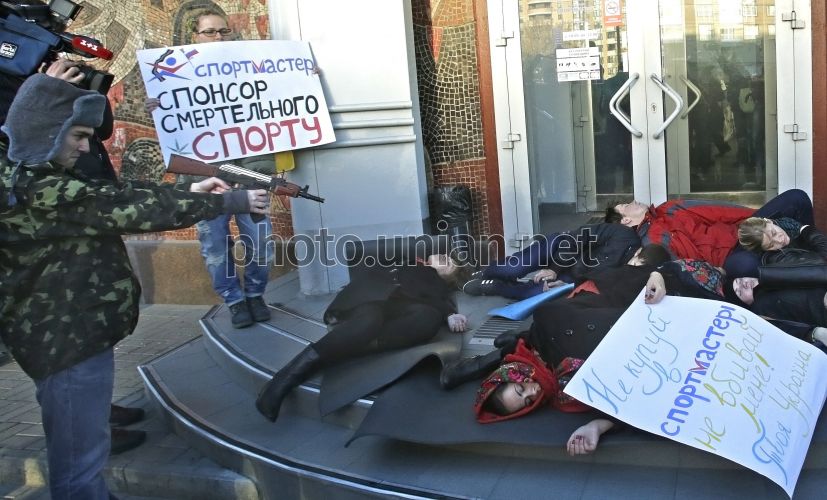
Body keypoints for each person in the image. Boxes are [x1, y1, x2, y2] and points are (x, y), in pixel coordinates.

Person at [0, 73, 269, 499]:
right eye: (79, 135)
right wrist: (225, 201)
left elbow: (111, 192)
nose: (85, 147)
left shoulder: (28, 176)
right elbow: (120, 205)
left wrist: (191, 189)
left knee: (82, 458)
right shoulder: (33, 188)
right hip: (66, 342)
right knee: (79, 468)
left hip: (68, 335)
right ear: (46, 131)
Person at [147, 8, 276, 328]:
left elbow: (280, 93)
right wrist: (158, 107)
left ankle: (255, 294)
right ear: (194, 36)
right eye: (210, 32)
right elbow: (173, 124)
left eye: (223, 31)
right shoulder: (172, 78)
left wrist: (303, 79)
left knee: (260, 241)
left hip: (250, 173)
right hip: (203, 176)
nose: (218, 37)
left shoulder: (248, 68)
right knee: (215, 244)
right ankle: (234, 300)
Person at [255, 254, 472, 422]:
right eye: (445, 256)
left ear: (448, 279)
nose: (447, 259)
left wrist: (449, 314)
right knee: (369, 321)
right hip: (372, 299)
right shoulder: (408, 259)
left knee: (429, 317)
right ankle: (282, 381)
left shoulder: (438, 288)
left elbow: (438, 301)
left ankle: (351, 342)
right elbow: (390, 277)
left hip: (402, 310)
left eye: (450, 264)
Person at [606, 189, 815, 277]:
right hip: (728, 260)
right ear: (625, 220)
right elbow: (683, 270)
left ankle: (815, 254)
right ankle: (804, 271)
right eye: (625, 205)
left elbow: (718, 210)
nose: (633, 201)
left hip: (742, 233)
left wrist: (758, 219)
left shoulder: (669, 207)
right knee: (747, 265)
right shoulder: (650, 243)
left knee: (796, 198)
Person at [463, 222, 640, 299]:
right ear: (640, 254)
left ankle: (495, 286)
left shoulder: (627, 273)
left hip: (572, 274)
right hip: (560, 246)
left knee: (536, 293)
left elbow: (594, 283)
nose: (633, 267)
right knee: (514, 268)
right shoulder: (624, 235)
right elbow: (578, 237)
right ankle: (486, 272)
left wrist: (568, 285)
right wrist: (554, 269)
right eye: (637, 263)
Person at [737, 216, 827, 258]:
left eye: (774, 233)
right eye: (771, 245)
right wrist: (806, 229)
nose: (779, 241)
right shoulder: (777, 258)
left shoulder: (785, 222)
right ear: (763, 250)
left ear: (769, 221)